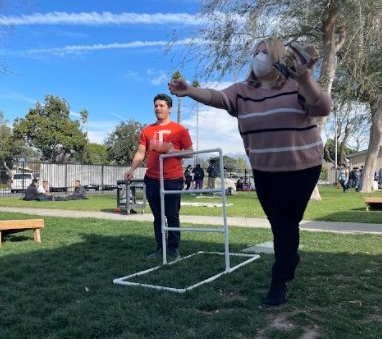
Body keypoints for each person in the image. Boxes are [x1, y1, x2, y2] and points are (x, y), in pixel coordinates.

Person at [169, 36, 331, 306]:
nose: (259, 57)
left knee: (284, 223)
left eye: (265, 52)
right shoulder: (243, 90)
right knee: (277, 223)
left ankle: (279, 281)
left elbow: (323, 107)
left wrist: (305, 80)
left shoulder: (296, 85)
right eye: (256, 52)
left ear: (278, 57)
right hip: (265, 169)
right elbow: (217, 97)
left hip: (302, 167)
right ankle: (289, 258)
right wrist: (190, 90)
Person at [124, 94, 193, 259]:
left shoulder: (180, 129)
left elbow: (190, 152)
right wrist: (132, 169)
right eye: (156, 106)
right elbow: (141, 152)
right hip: (153, 178)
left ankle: (173, 249)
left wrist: (172, 151)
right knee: (158, 216)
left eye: (161, 105)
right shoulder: (147, 130)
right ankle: (160, 248)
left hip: (173, 179)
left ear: (169, 108)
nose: (158, 108)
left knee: (172, 215)